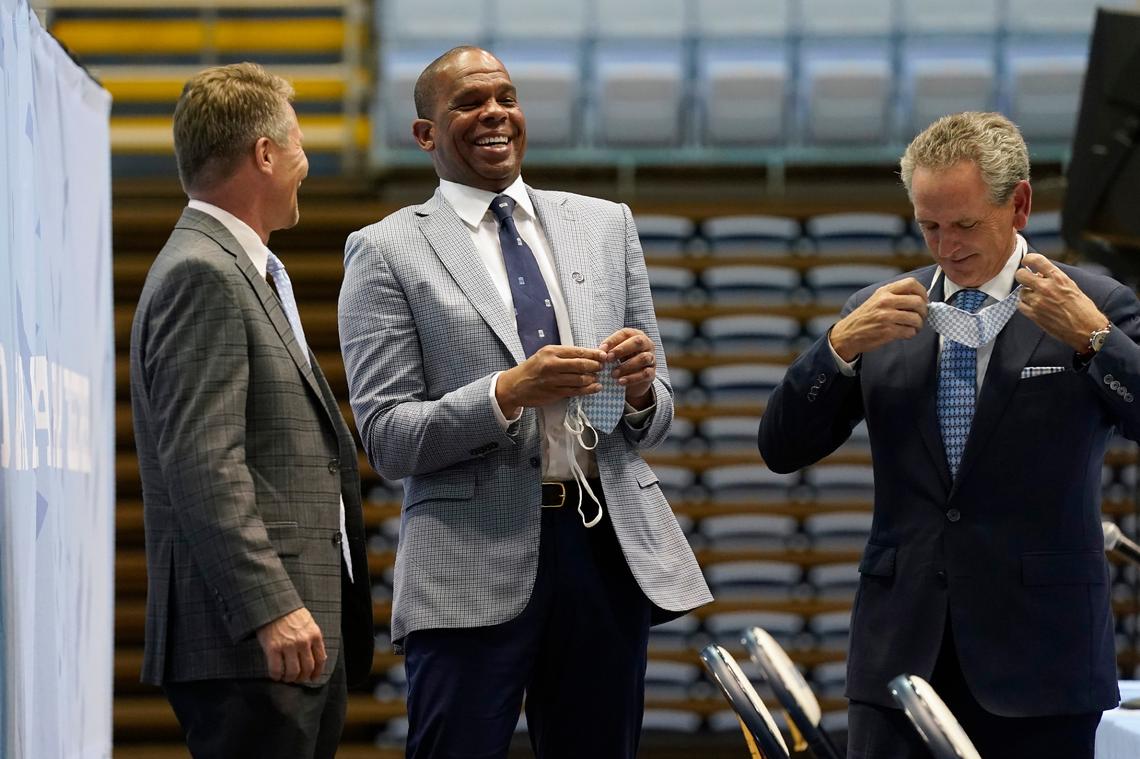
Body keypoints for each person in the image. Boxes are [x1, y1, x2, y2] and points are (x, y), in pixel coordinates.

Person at [338, 46, 711, 758]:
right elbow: (386, 438)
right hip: (467, 560)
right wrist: (507, 393)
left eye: (505, 97)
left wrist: (636, 390)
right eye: (470, 103)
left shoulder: (606, 225)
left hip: (604, 551)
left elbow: (653, 412)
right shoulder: (384, 250)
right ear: (425, 134)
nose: (495, 114)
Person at [759, 111, 1138, 758]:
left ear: (1018, 205)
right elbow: (781, 447)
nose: (945, 246)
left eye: (963, 225)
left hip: (1044, 664)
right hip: (897, 659)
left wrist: (1096, 341)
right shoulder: (879, 311)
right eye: (928, 226)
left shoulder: (1095, 303)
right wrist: (836, 348)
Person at [129, 63, 374, 758]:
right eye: (297, 147)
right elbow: (204, 463)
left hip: (280, 640)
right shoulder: (202, 273)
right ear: (264, 155)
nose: (306, 166)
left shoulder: (234, 267)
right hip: (255, 640)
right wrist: (269, 604)